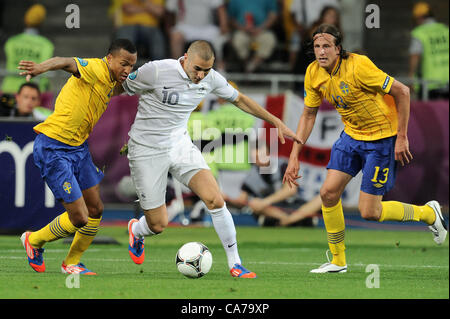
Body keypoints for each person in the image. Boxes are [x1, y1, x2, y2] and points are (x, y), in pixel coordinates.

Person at [121, 40, 300, 278]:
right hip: (146, 149)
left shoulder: (211, 78)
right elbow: (119, 88)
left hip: (180, 145)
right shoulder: (156, 70)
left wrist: (275, 121)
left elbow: (240, 99)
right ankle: (138, 229)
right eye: (197, 69)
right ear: (185, 58)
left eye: (206, 70)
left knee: (215, 199)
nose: (201, 75)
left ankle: (235, 263)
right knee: (158, 224)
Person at [283, 24, 448, 273]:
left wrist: (401, 137)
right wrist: (294, 156)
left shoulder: (359, 66)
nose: (321, 52)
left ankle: (428, 213)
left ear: (338, 49)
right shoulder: (313, 72)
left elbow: (402, 92)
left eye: (326, 46)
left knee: (370, 212)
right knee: (328, 193)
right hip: (351, 137)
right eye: (317, 46)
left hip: (380, 140)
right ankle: (338, 261)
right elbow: (308, 114)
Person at [18, 39, 137, 275]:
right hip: (54, 147)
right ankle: (33, 241)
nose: (128, 70)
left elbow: (134, 84)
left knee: (96, 209)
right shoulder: (94, 68)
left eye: (132, 66)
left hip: (78, 149)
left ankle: (71, 263)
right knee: (80, 217)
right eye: (124, 64)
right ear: (110, 58)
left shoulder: (112, 82)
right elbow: (66, 62)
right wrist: (41, 67)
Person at [1, 4, 54, 94]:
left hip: (9, 89)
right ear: (41, 22)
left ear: (25, 20)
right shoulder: (46, 45)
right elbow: (44, 70)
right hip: (33, 91)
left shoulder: (11, 42)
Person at [165, 0, 229, 71]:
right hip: (185, 27)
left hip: (206, 28)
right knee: (175, 36)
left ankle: (221, 70)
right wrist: (168, 29)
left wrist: (224, 25)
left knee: (222, 37)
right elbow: (169, 10)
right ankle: (176, 69)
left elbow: (220, 8)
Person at [408, 1, 449, 99]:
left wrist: (411, 76)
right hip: (447, 80)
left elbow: (415, 56)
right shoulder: (445, 30)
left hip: (429, 84)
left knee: (430, 113)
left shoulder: (419, 33)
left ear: (419, 17)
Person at [227, 0, 278, 73]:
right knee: (238, 40)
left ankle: (252, 66)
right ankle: (247, 66)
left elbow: (273, 15)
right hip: (242, 31)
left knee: (269, 39)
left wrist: (260, 29)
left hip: (262, 31)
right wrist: (242, 28)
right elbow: (231, 18)